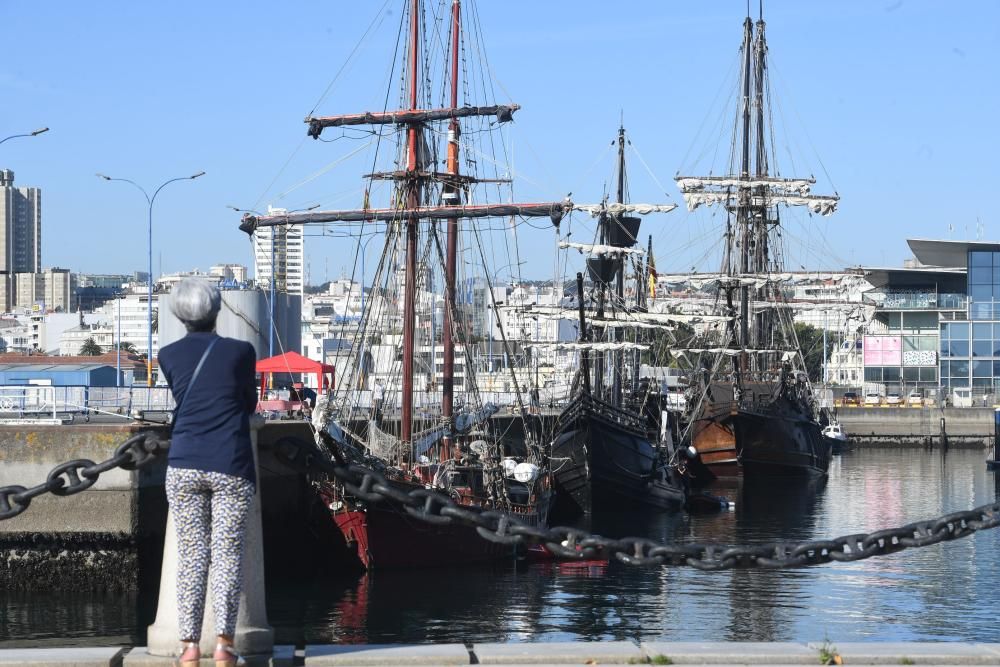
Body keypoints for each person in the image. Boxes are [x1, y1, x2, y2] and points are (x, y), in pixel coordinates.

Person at [158, 278, 257, 667]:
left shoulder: (167, 354)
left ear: (179, 315)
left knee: (192, 556)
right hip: (230, 463)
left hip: (183, 463)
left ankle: (188, 648)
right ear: (217, 311)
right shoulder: (240, 351)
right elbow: (247, 403)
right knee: (227, 556)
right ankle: (224, 647)